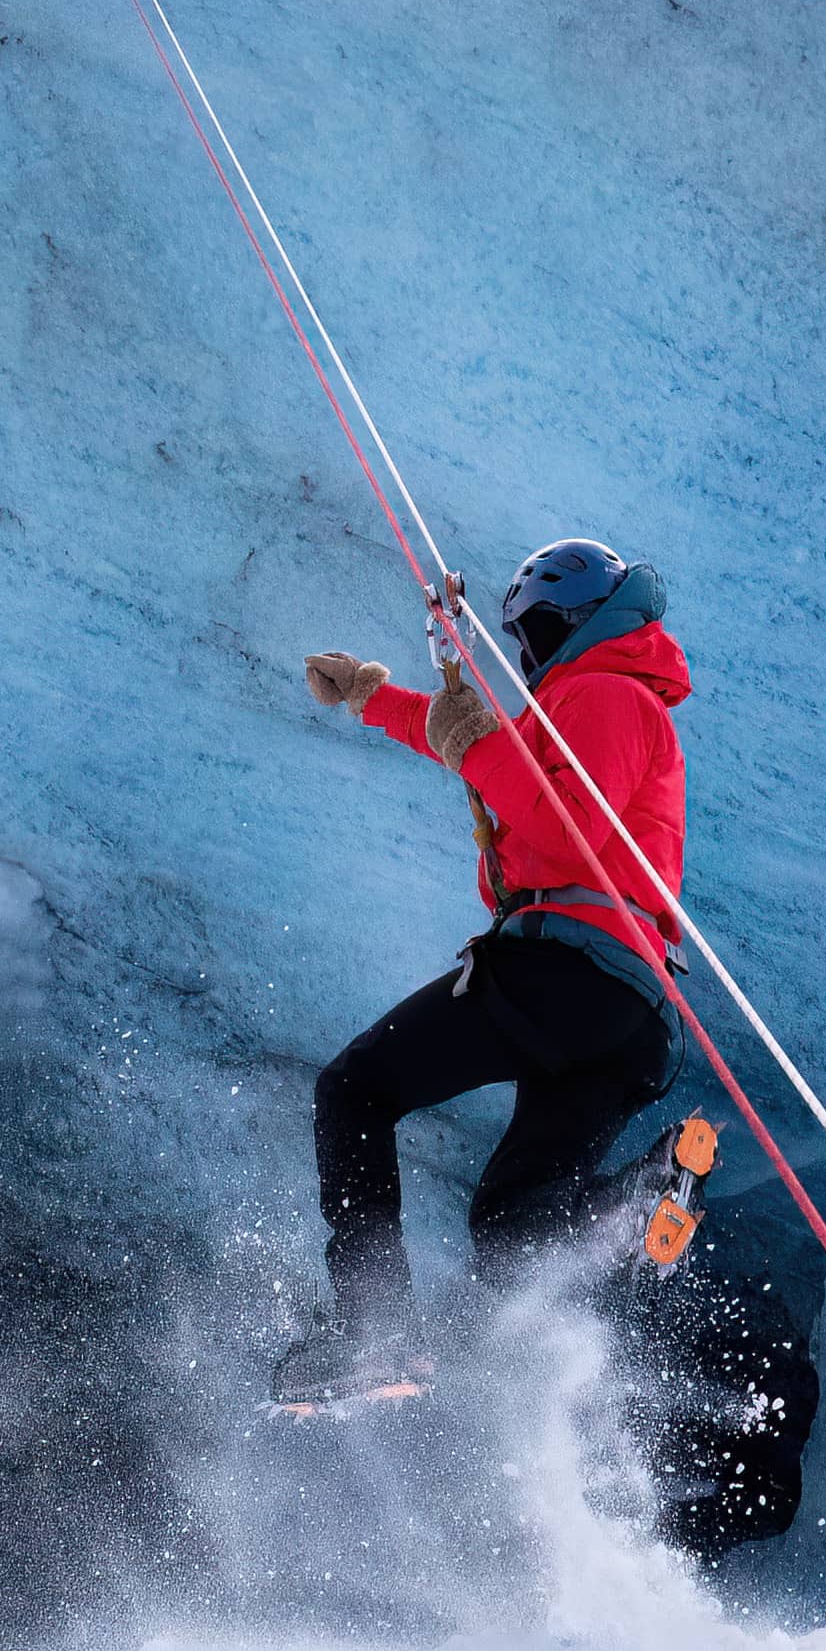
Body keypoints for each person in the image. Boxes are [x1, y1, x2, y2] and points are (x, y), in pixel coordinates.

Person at [273, 539, 695, 1405]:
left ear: (574, 621)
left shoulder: (609, 695)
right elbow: (485, 754)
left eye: (534, 630)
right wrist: (372, 697)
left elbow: (556, 825)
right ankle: (643, 1197)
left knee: (355, 1090)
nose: (527, 653)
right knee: (513, 1228)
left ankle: (371, 1334)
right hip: (617, 1015)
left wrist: (473, 746)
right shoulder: (582, 705)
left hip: (572, 971)